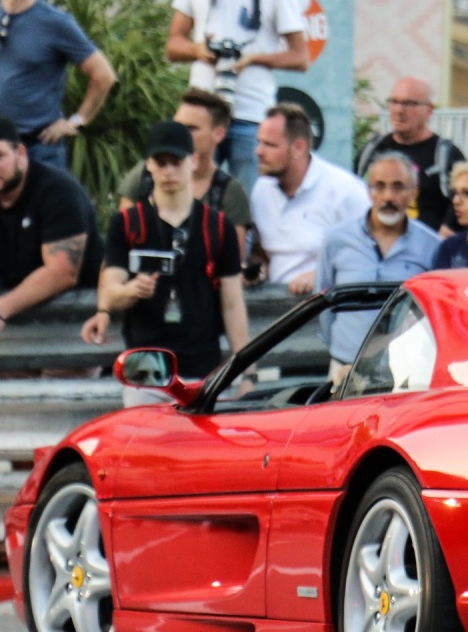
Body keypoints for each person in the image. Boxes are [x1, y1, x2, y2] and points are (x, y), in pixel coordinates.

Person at [80, 121, 248, 406]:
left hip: (203, 368)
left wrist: (247, 374)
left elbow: (232, 305)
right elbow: (110, 290)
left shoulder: (218, 226)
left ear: (193, 162)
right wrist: (132, 290)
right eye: (161, 162)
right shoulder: (127, 222)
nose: (169, 171)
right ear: (149, 165)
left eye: (176, 162)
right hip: (145, 371)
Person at [316, 152, 439, 385]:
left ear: (413, 193)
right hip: (344, 367)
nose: (388, 196)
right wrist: (340, 348)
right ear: (368, 190)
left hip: (408, 373)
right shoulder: (337, 239)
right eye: (379, 186)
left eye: (398, 187)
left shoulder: (431, 246)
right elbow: (324, 301)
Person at [165, 0, 308, 194]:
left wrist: (253, 58)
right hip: (202, 116)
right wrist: (198, 50)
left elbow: (300, 57)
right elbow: (173, 45)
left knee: (249, 203)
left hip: (252, 115)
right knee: (191, 197)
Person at [0, 114, 102, 347]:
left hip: (77, 318)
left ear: (21, 153)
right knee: (11, 379)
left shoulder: (58, 192)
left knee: (59, 379)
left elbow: (62, 273)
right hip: (16, 317)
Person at [248, 103, 370, 296]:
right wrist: (256, 270)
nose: (258, 152)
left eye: (269, 144)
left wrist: (322, 275)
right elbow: (261, 252)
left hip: (324, 307)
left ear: (298, 148)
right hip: (271, 306)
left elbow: (371, 255)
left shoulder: (346, 192)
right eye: (259, 142)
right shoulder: (261, 189)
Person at [117, 88, 252, 261]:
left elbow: (233, 264)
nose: (180, 134)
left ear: (218, 134)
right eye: (177, 125)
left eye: (191, 128)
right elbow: (120, 244)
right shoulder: (146, 174)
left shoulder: (229, 192)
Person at [0, 0, 116, 171]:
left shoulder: (55, 22)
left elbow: (104, 75)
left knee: (46, 198)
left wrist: (76, 122)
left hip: (38, 148)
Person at [354, 76, 466, 235]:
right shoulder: (372, 150)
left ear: (429, 110)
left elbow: (463, 206)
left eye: (409, 104)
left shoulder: (445, 155)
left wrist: (441, 242)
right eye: (394, 102)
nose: (399, 110)